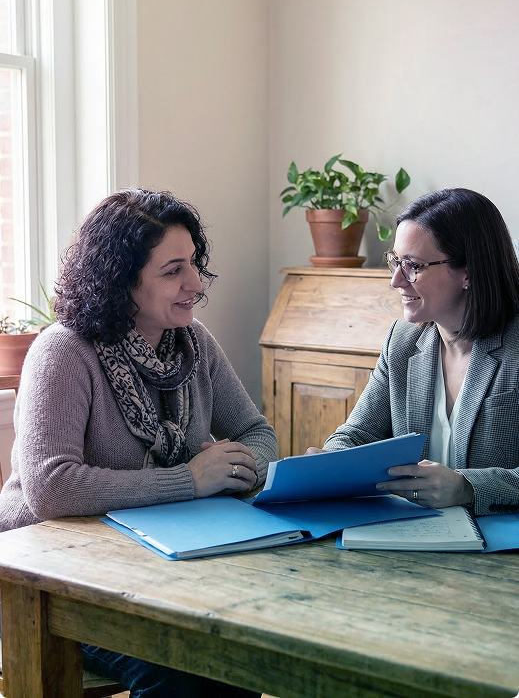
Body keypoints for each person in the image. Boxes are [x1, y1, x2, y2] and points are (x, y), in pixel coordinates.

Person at [0, 188, 278, 697]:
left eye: (193, 264)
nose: (194, 283)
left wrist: (241, 467)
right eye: (173, 270)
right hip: (49, 577)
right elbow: (49, 488)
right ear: (120, 281)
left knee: (243, 651)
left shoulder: (196, 343)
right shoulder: (62, 351)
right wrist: (189, 481)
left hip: (161, 564)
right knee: (183, 667)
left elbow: (257, 433)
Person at [308, 187, 519, 517]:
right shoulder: (402, 342)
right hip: (416, 537)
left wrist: (467, 487)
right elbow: (358, 434)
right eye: (396, 261)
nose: (396, 280)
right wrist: (330, 462)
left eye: (413, 265)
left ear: (468, 271)